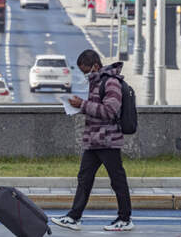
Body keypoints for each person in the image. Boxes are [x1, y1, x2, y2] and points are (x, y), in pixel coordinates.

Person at [51, 50, 133, 231]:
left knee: (117, 179)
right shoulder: (96, 82)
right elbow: (96, 108)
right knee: (84, 178)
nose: (84, 74)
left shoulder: (111, 82)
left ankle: (125, 219)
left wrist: (82, 104)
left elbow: (110, 111)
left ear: (96, 65)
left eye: (86, 70)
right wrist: (78, 107)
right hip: (94, 140)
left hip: (108, 140)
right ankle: (74, 217)